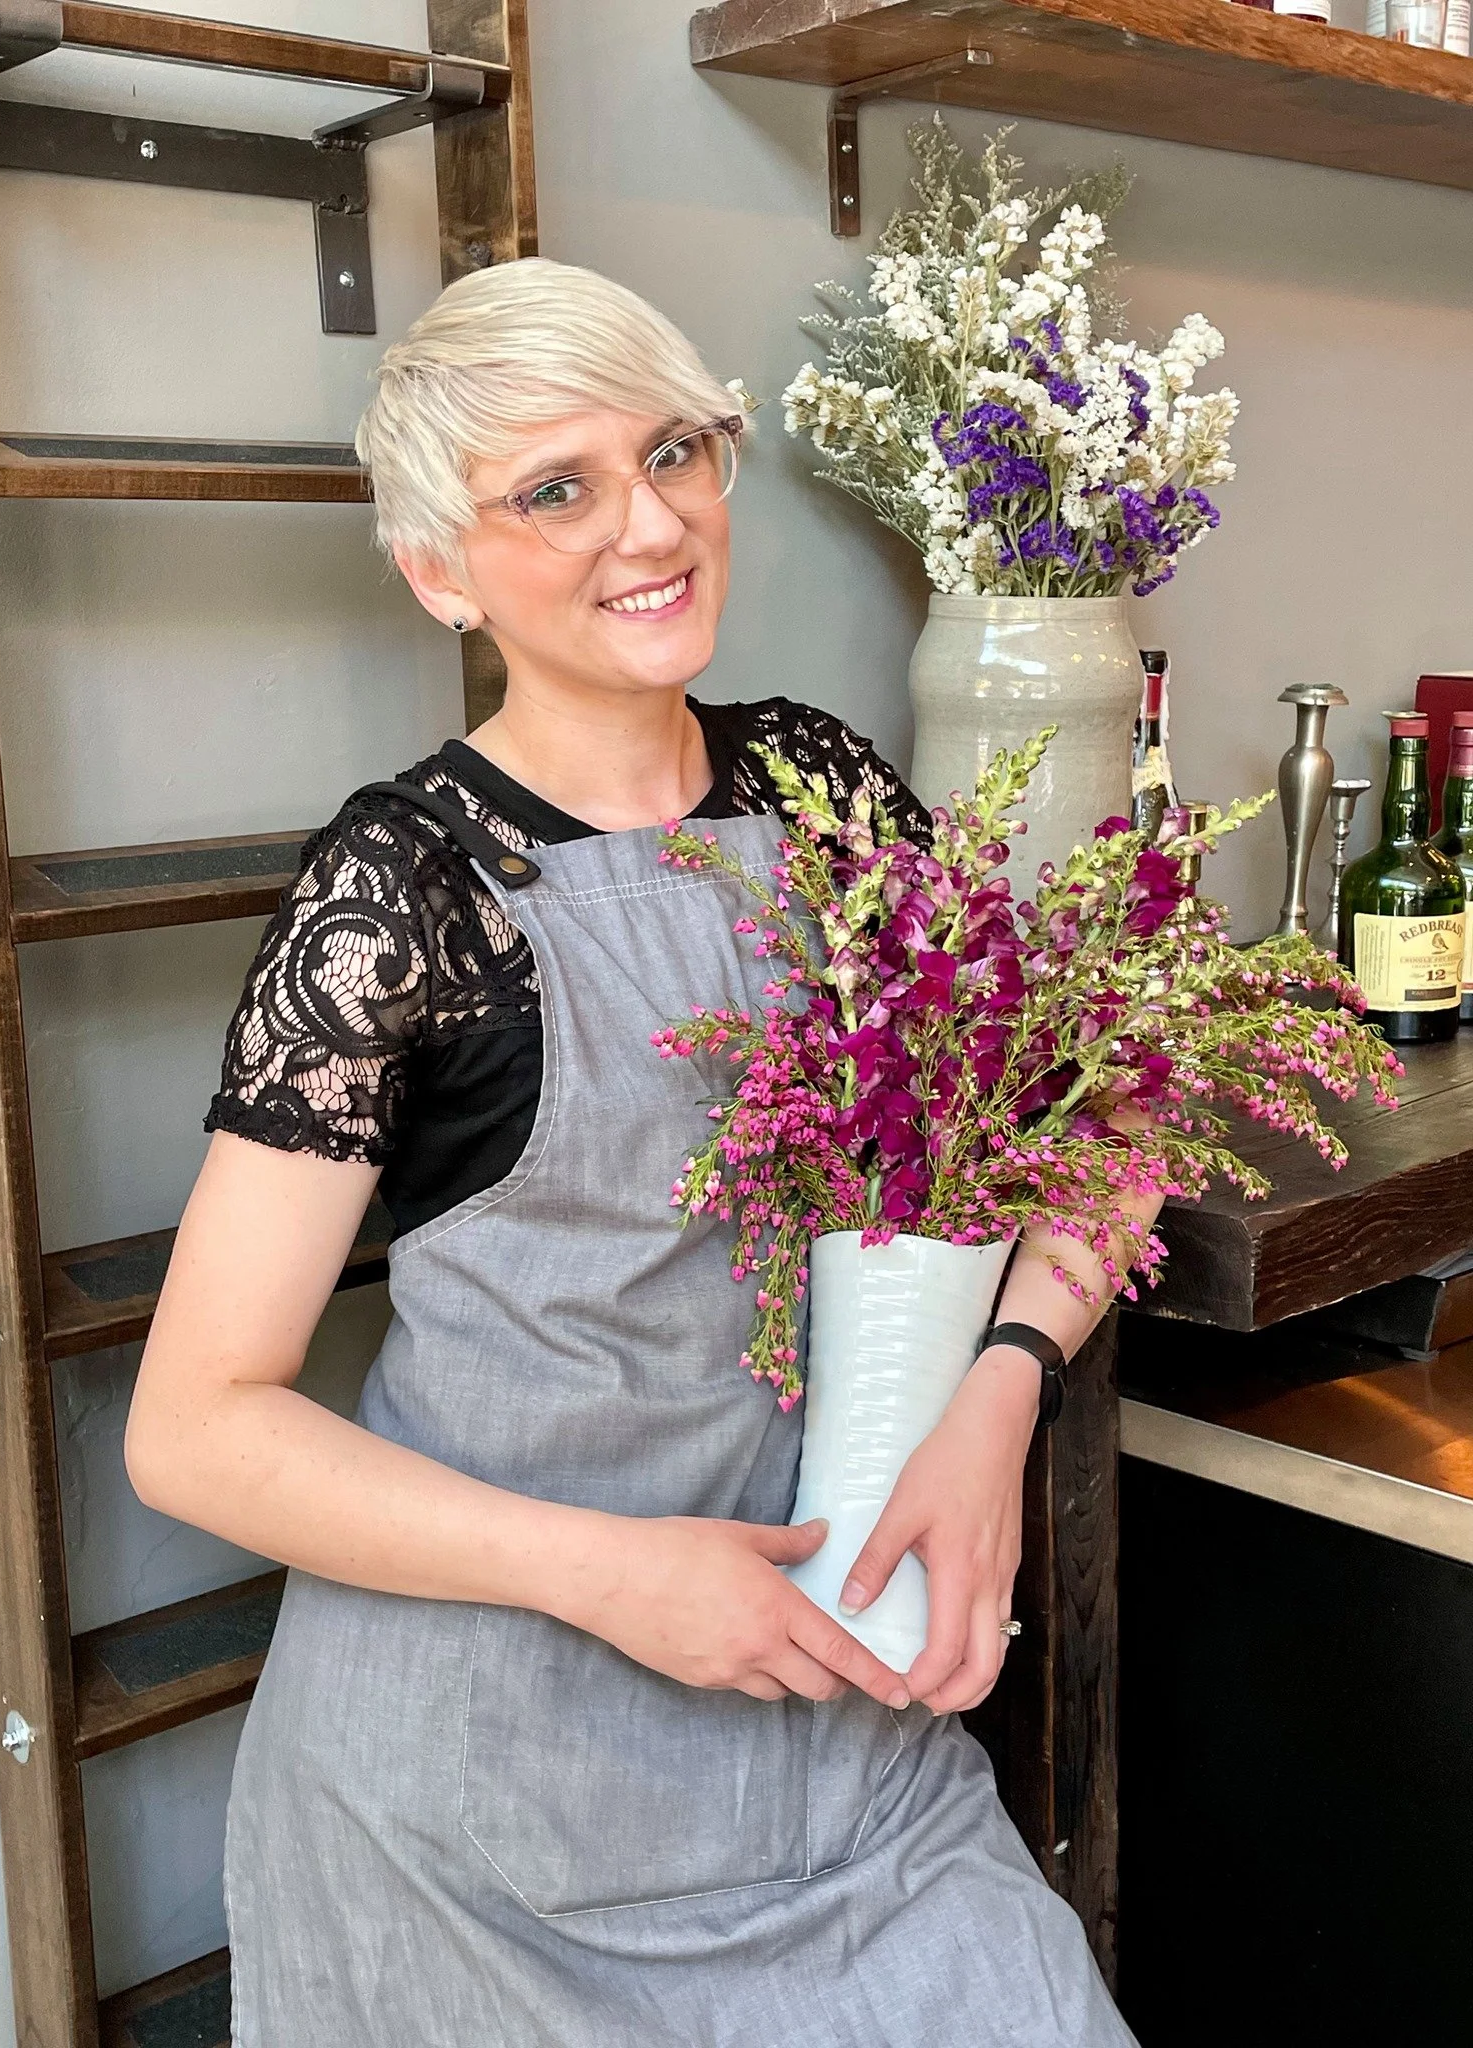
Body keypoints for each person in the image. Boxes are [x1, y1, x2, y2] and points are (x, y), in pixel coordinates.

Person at [126, 257, 1143, 2047]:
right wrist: (607, 1570)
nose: (650, 522)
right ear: (441, 569)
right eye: (556, 489)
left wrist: (1003, 1395)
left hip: (845, 1760)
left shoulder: (822, 789)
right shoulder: (406, 893)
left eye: (674, 450)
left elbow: (1096, 1124)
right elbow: (194, 1428)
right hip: (485, 1831)